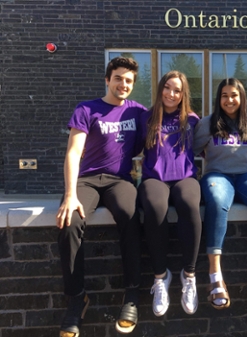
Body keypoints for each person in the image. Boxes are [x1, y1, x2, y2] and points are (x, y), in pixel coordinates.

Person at [56, 57, 146, 336]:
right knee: (69, 221)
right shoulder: (87, 109)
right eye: (118, 78)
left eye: (129, 80)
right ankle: (76, 298)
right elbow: (73, 152)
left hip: (119, 181)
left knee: (131, 217)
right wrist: (70, 194)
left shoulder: (139, 112)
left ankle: (131, 294)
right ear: (107, 80)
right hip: (88, 180)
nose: (124, 84)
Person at [194, 78, 247, 309]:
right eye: (224, 96)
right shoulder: (208, 123)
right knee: (218, 202)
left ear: (242, 98)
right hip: (217, 175)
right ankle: (215, 275)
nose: (229, 100)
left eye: (234, 95)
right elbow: (191, 149)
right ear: (218, 99)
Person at [137, 70, 202, 317]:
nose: (171, 94)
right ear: (160, 88)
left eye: (177, 90)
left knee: (189, 205)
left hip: (185, 178)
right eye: (167, 88)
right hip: (155, 178)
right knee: (155, 208)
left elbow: (208, 146)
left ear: (183, 94)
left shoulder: (193, 119)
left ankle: (189, 275)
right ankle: (161, 277)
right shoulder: (147, 117)